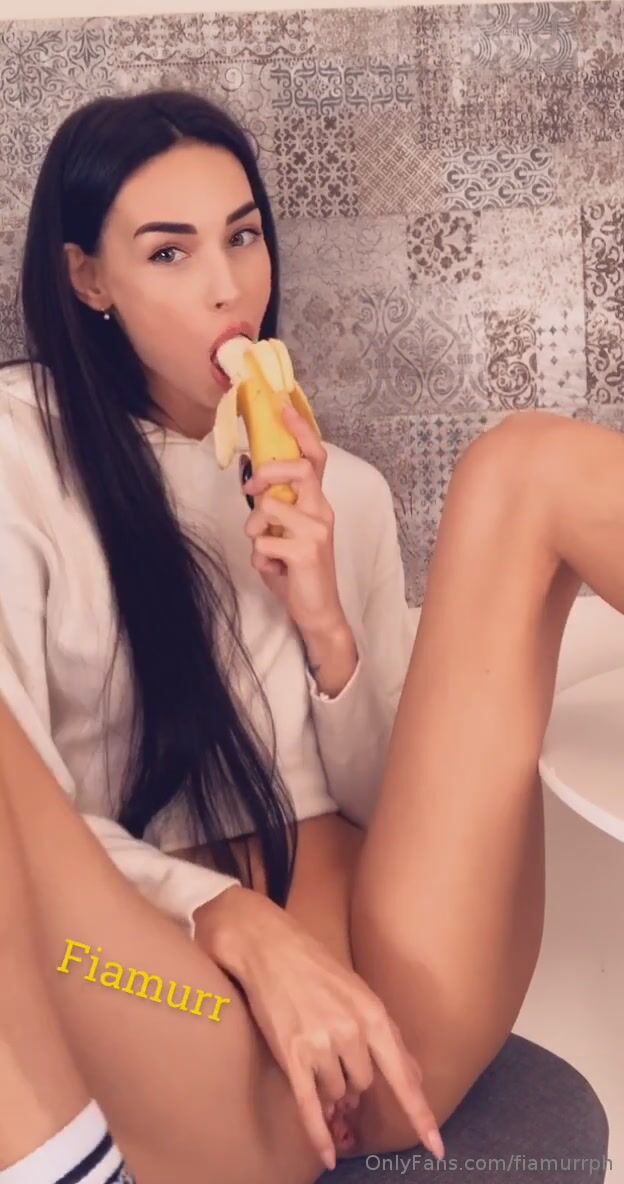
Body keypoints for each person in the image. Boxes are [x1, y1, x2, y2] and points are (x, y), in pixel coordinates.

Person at [0, 86, 615, 1184]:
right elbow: (28, 840)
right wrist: (228, 919)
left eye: (242, 236)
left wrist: (327, 624)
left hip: (395, 1005)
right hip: (175, 1003)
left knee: (524, 466)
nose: (228, 287)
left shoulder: (344, 495)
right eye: (170, 252)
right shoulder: (21, 460)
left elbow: (399, 803)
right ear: (88, 279)